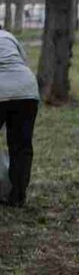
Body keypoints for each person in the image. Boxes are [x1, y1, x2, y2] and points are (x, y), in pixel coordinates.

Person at [0, 26, 39, 207]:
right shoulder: (9, 36)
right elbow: (23, 61)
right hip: (27, 91)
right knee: (21, 146)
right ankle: (17, 196)